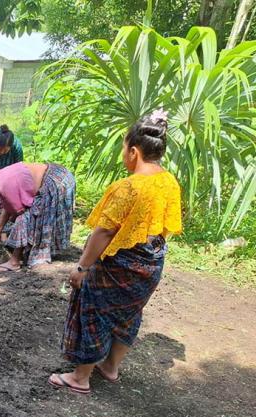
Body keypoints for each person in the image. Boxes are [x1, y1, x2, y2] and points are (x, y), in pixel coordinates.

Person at [49, 110, 181, 395]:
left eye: (123, 148)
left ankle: (80, 377)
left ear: (133, 151)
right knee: (129, 314)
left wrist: (82, 268)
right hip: (152, 264)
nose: (123, 154)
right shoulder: (169, 181)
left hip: (120, 264)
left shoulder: (128, 187)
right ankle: (110, 367)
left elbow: (105, 231)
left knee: (93, 310)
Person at [0, 160, 75, 271]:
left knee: (25, 218)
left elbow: (22, 215)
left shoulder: (5, 186)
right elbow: (7, 207)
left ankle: (14, 261)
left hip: (56, 181)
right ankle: (22, 253)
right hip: (59, 173)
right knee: (25, 216)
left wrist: (8, 229)